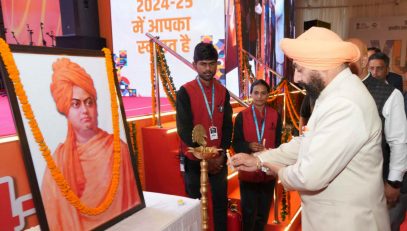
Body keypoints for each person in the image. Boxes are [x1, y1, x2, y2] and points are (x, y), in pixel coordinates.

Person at [230, 27, 390, 231]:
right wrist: (260, 158)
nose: (296, 78)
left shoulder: (346, 103)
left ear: (321, 66)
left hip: (348, 223)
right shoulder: (333, 95)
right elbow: (307, 142)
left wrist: (267, 166)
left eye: (299, 68)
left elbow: (308, 177)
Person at [41, 58, 140, 231]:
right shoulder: (58, 162)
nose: (85, 110)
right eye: (75, 104)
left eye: (89, 102)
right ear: (66, 110)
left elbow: (131, 206)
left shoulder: (118, 149)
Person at [176, 42, 233, 231]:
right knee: (194, 208)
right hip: (194, 159)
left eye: (212, 63)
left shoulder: (223, 91)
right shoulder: (185, 91)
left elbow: (227, 125)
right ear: (194, 65)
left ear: (217, 64)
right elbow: (184, 128)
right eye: (203, 64)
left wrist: (221, 153)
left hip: (218, 159)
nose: (208, 69)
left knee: (220, 206)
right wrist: (204, 157)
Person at [359, 49, 407, 231]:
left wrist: (394, 181)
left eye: (379, 69)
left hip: (389, 176)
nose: (375, 73)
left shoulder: (393, 95)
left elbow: (399, 141)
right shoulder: (357, 92)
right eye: (372, 68)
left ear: (387, 70)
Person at [232, 79, 281, 231]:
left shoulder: (275, 115)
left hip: (268, 171)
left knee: (263, 212)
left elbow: (278, 144)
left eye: (263, 93)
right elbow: (235, 143)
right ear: (251, 95)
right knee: (248, 212)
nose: (259, 97)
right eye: (256, 93)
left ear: (268, 95)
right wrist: (248, 146)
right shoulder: (242, 116)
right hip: (248, 173)